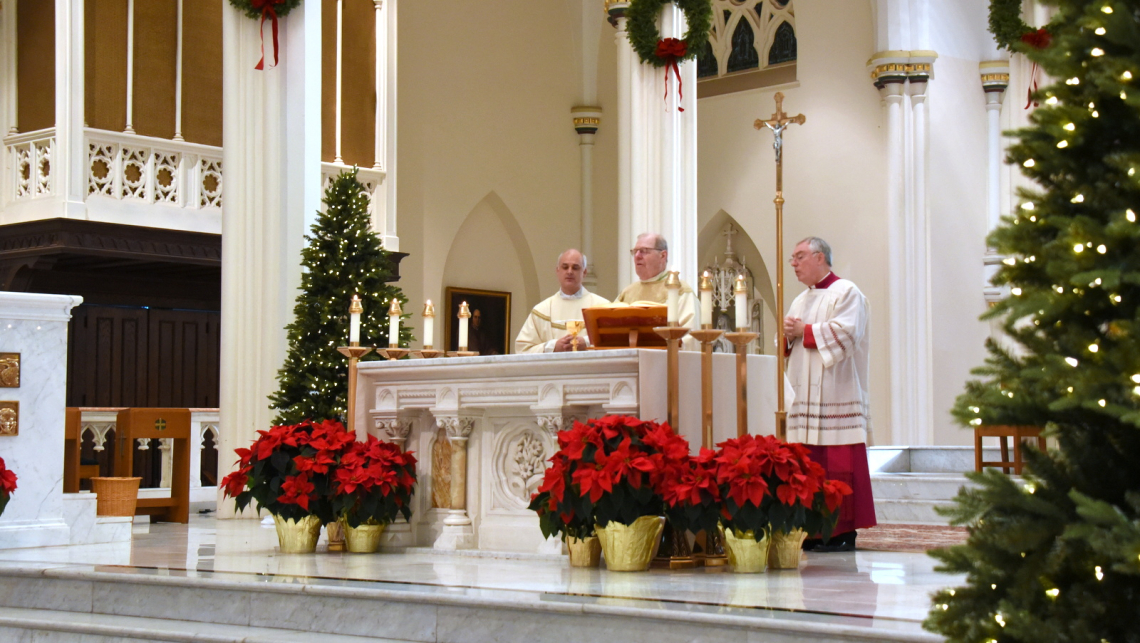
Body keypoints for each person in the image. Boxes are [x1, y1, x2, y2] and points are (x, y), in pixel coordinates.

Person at [782, 236, 876, 552]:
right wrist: (786, 337)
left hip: (837, 394)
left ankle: (840, 532)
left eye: (799, 257)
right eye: (792, 258)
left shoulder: (847, 292)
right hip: (804, 397)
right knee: (808, 463)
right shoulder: (799, 301)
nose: (793, 263)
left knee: (837, 464)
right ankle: (809, 530)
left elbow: (847, 335)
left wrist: (804, 332)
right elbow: (789, 347)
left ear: (820, 257)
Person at [515, 249, 610, 353]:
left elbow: (617, 343)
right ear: (558, 270)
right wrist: (553, 347)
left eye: (575, 267)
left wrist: (587, 343)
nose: (569, 271)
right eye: (565, 267)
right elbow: (522, 349)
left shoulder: (603, 307)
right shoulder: (542, 310)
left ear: (584, 272)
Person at [615, 233, 699, 332]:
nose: (637, 256)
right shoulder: (627, 293)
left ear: (663, 255)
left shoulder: (679, 290)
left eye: (644, 251)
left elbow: (690, 336)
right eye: (635, 251)